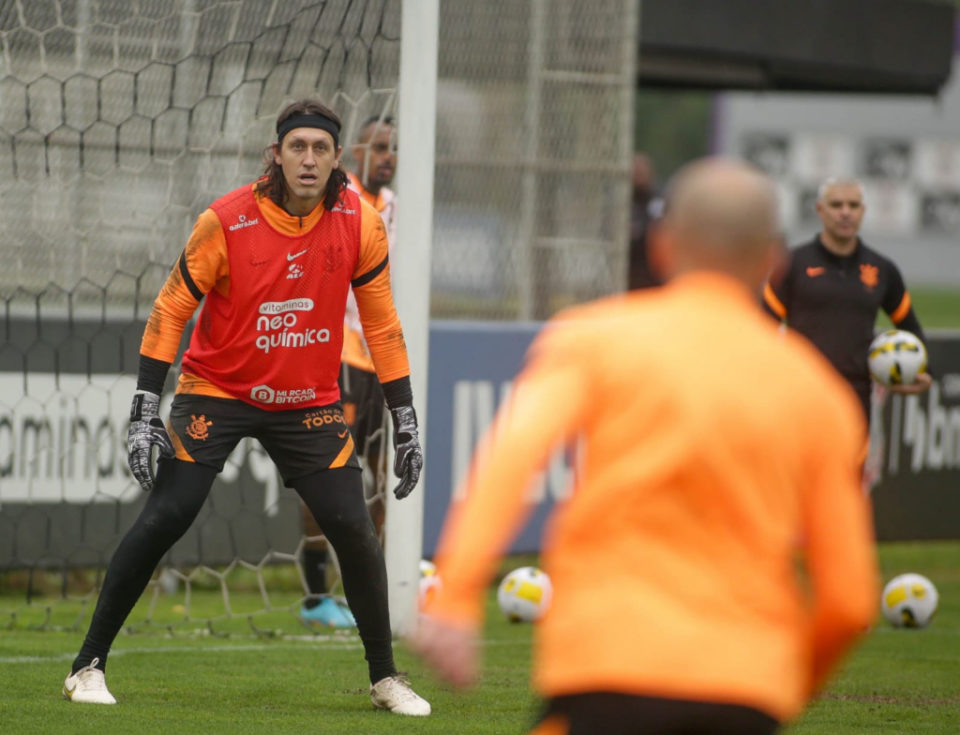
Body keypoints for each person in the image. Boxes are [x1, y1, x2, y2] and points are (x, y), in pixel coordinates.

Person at [413, 158, 878, 734]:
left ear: (662, 245)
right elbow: (850, 601)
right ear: (773, 262)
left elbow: (514, 455)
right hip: (745, 685)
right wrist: (778, 686)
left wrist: (455, 597)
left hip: (607, 667)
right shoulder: (819, 395)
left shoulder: (595, 339)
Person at [61, 99, 431, 716]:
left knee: (357, 532)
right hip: (218, 390)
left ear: (338, 158)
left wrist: (407, 419)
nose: (308, 159)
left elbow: (384, 326)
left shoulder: (362, 223)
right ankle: (87, 665)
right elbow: (171, 308)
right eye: (297, 147)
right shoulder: (226, 220)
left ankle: (386, 678)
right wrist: (144, 408)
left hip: (308, 401)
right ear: (277, 154)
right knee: (168, 514)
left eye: (320, 149)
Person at [297, 114, 398, 629]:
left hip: (375, 363)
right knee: (328, 478)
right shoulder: (340, 198)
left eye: (394, 148)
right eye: (379, 146)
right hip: (334, 358)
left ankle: (368, 595)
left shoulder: (393, 205)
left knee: (379, 477)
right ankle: (316, 596)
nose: (388, 156)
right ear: (354, 152)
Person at [763, 177, 931, 422]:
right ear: (820, 209)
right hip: (799, 394)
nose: (845, 213)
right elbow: (761, 325)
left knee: (850, 463)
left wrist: (922, 372)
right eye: (836, 205)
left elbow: (910, 327)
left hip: (855, 399)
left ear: (863, 211)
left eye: (853, 206)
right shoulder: (791, 264)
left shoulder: (882, 269)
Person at [627, 152, 663, 290]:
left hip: (651, 273)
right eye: (636, 170)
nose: (639, 174)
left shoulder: (658, 200)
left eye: (642, 170)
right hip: (628, 269)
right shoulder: (622, 200)